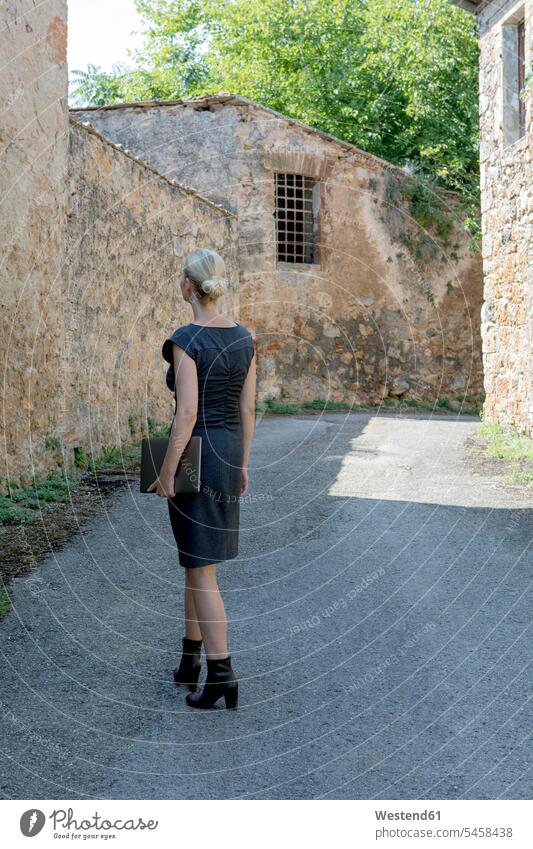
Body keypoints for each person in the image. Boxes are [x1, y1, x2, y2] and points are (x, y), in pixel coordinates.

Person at [148, 248, 256, 711]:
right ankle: (190, 660)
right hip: (229, 453)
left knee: (202, 568)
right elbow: (247, 408)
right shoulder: (244, 337)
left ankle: (221, 674)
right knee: (196, 559)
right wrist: (244, 464)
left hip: (196, 455)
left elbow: (187, 412)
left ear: (187, 286)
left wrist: (166, 472)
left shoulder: (185, 339)